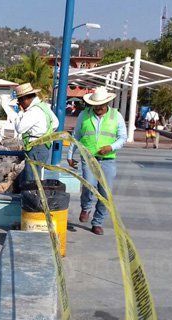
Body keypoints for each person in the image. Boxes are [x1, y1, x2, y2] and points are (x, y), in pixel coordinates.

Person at [66, 86, 128, 236]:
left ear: (107, 103)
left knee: (105, 193)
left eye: (101, 105)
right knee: (89, 185)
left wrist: (111, 147)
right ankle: (86, 208)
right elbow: (76, 135)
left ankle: (97, 222)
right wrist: (70, 155)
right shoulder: (84, 115)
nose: (98, 108)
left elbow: (123, 137)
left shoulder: (116, 116)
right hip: (88, 157)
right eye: (95, 105)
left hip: (108, 160)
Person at [13, 83, 59, 184]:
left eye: (19, 101)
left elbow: (20, 128)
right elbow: (56, 123)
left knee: (31, 179)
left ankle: (31, 194)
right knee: (35, 176)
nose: (19, 103)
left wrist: (20, 113)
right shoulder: (44, 107)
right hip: (44, 146)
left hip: (35, 148)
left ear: (25, 99)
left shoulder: (33, 111)